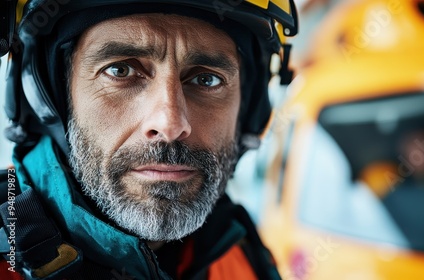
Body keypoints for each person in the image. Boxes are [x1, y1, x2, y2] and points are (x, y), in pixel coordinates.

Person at [0, 0, 298, 279]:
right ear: (48, 100)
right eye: (121, 70)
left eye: (207, 79)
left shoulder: (245, 260)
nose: (170, 125)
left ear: (250, 112)